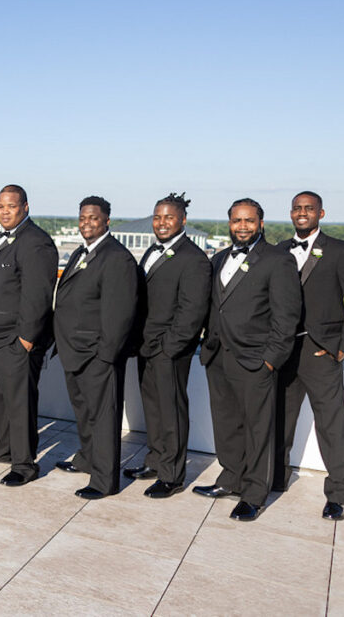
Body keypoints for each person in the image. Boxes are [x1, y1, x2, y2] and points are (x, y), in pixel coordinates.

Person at [195, 198, 300, 521]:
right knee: (226, 424)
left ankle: (254, 493)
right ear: (229, 223)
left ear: (261, 224)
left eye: (249, 221)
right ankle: (231, 478)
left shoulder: (278, 260)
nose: (242, 226)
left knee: (258, 430)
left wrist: (271, 359)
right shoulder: (219, 258)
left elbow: (287, 316)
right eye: (236, 221)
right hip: (218, 356)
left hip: (255, 359)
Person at [272, 191, 344, 521]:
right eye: (297, 209)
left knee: (331, 425)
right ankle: (275, 476)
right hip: (285, 351)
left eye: (309, 209)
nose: (303, 213)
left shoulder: (340, 251)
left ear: (321, 213)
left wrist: (341, 348)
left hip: (321, 352)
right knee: (279, 419)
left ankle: (339, 494)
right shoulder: (278, 252)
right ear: (291, 214)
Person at [0, 185, 58, 486]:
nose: (5, 212)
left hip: (14, 342)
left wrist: (26, 339)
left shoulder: (36, 242)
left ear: (25, 207)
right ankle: (4, 449)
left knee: (20, 405)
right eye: (0, 206)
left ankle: (24, 464)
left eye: (11, 206)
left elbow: (38, 294)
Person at [124, 192, 211, 498]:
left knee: (171, 412)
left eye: (169, 217)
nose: (161, 223)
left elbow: (192, 311)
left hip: (169, 349)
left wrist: (169, 347)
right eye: (157, 217)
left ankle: (172, 476)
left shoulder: (194, 259)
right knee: (154, 408)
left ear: (183, 220)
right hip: (146, 346)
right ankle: (155, 461)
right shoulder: (151, 252)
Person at [52, 196, 139, 500]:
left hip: (97, 355)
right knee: (85, 413)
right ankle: (87, 459)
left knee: (103, 418)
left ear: (106, 221)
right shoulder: (82, 251)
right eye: (83, 218)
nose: (86, 223)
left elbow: (119, 313)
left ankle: (105, 481)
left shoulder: (117, 257)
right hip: (74, 350)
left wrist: (105, 356)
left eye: (93, 218)